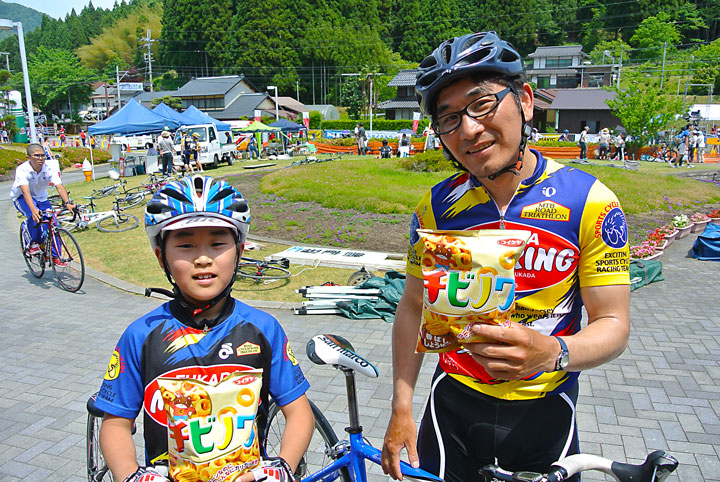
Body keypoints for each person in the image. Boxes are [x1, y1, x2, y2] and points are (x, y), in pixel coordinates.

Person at [380, 31, 630, 482]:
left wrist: (553, 352)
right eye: (449, 118)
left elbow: (613, 324)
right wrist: (401, 405)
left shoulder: (590, 201)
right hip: (452, 406)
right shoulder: (435, 207)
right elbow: (413, 306)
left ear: (526, 102)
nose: (469, 129)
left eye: (482, 104)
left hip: (546, 411)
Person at [94, 176, 314, 482]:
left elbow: (300, 412)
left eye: (217, 243)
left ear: (239, 251)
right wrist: (129, 475)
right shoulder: (141, 336)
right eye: (185, 245)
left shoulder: (264, 329)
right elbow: (115, 423)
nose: (202, 258)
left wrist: (282, 467)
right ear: (162, 257)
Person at [11, 144, 76, 259]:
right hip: (21, 197)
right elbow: (25, 192)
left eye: (43, 155)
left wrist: (68, 203)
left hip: (41, 197)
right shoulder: (22, 170)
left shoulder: (50, 167)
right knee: (33, 215)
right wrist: (33, 209)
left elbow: (59, 186)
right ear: (28, 158)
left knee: (53, 223)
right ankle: (33, 243)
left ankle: (56, 256)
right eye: (37, 156)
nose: (40, 158)